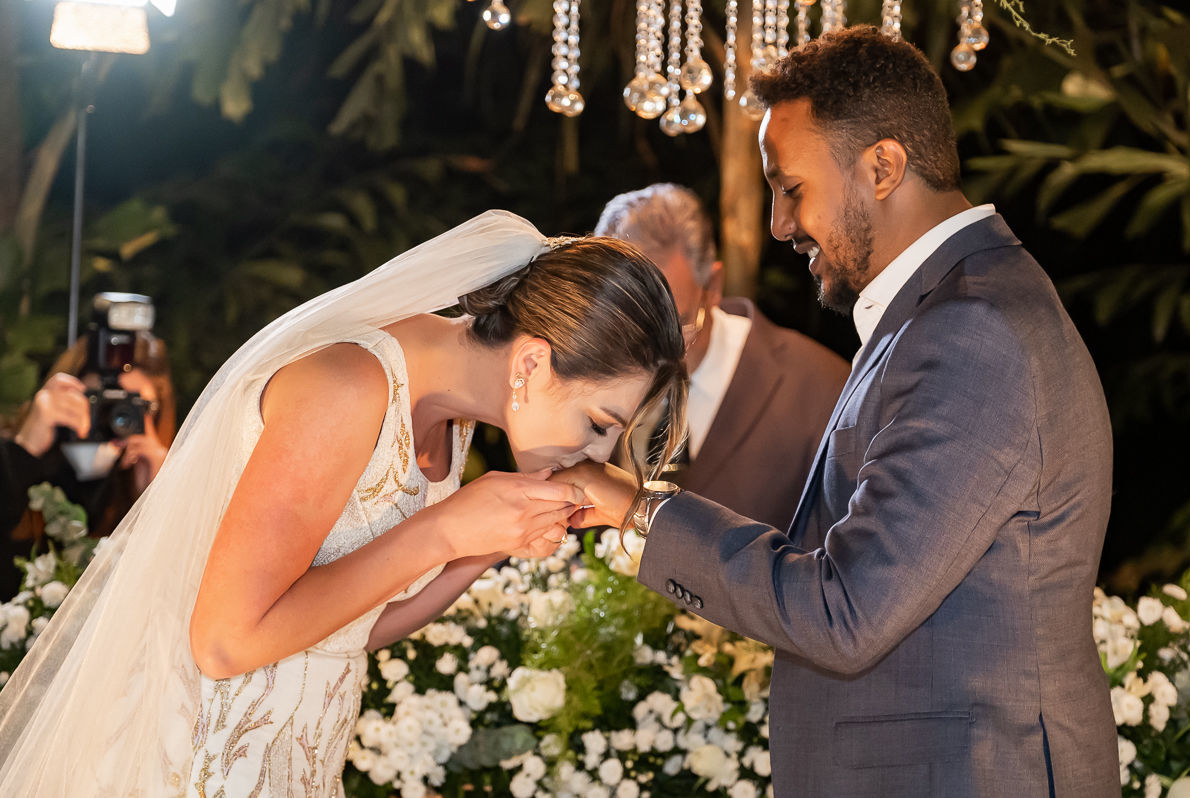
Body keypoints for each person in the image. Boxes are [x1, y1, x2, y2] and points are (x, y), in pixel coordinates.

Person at [559, 27, 1119, 797]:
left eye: (791, 188)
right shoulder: (946, 312)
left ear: (883, 167)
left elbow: (847, 610)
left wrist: (639, 509)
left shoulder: (973, 329)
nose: (780, 224)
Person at [0, 211, 687, 797]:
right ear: (531, 364)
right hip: (203, 760)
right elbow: (224, 640)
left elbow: (352, 628)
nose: (597, 453)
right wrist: (446, 531)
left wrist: (486, 544)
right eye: (598, 422)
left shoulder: (453, 416)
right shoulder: (349, 384)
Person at [595, 183, 848, 530]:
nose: (642, 350)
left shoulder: (821, 391)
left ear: (712, 286)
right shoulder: (587, 371)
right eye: (623, 323)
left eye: (671, 322)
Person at [0, 330, 176, 598]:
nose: (112, 419)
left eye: (131, 407)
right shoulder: (12, 463)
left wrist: (159, 497)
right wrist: (23, 452)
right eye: (101, 402)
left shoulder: (151, 481)